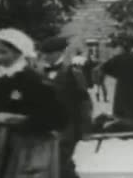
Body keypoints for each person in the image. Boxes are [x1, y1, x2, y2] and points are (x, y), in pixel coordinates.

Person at [0, 28, 67, 178]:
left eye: (4, 52)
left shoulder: (32, 79)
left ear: (18, 53)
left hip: (29, 147)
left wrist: (18, 120)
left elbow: (56, 117)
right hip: (1, 146)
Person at [39, 36, 92, 178]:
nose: (45, 57)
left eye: (48, 53)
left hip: (68, 127)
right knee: (55, 165)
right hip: (46, 127)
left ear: (58, 53)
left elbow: (84, 102)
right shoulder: (40, 73)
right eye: (44, 53)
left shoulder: (74, 73)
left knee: (61, 162)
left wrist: (85, 129)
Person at [95, 35, 133, 120]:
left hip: (122, 88)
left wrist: (117, 74)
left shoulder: (118, 58)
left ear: (122, 47)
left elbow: (104, 68)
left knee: (120, 114)